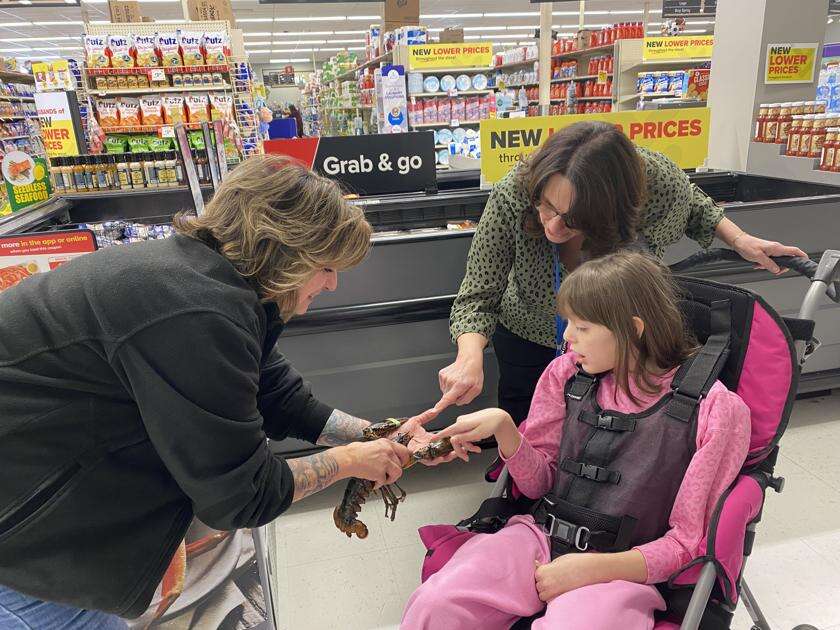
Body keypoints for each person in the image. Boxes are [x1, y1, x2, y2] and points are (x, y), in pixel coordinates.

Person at [0, 156, 437, 628]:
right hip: (22, 541)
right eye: (327, 266)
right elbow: (243, 496)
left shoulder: (210, 283)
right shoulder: (193, 310)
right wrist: (352, 460)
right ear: (283, 252)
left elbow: (279, 396)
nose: (332, 283)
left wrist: (375, 434)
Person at [401, 251, 752, 629]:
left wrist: (593, 569)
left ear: (632, 329)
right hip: (538, 535)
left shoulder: (717, 411)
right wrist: (505, 429)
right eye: (568, 321)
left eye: (582, 326)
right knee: (435, 604)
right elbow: (539, 485)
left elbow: (687, 544)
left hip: (623, 568)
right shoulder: (564, 375)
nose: (567, 336)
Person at [437, 121, 806, 424]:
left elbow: (695, 205)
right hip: (530, 333)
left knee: (613, 429)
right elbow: (479, 292)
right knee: (527, 421)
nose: (552, 226)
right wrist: (469, 357)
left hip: (618, 339)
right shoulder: (514, 193)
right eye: (545, 206)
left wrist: (740, 240)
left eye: (573, 219)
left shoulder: (654, 181)